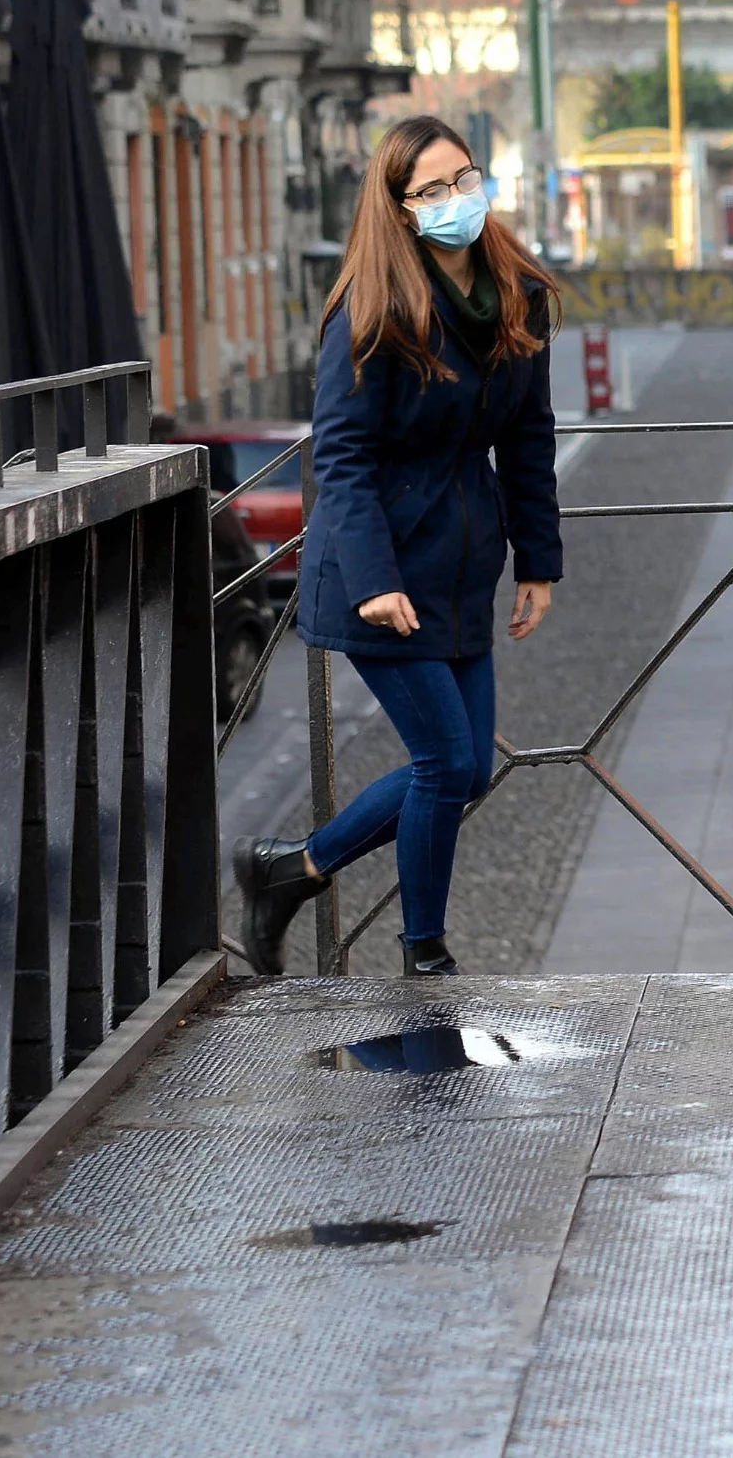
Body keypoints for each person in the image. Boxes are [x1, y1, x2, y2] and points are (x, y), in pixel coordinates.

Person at [231, 115, 564, 978]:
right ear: (400, 208)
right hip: (377, 571)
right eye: (433, 190)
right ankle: (424, 952)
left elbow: (528, 436)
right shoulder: (370, 309)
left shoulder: (518, 293)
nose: (458, 199)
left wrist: (538, 558)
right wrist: (374, 579)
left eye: (465, 178)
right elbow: (340, 458)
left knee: (466, 771)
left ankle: (288, 868)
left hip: (462, 567)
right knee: (447, 759)